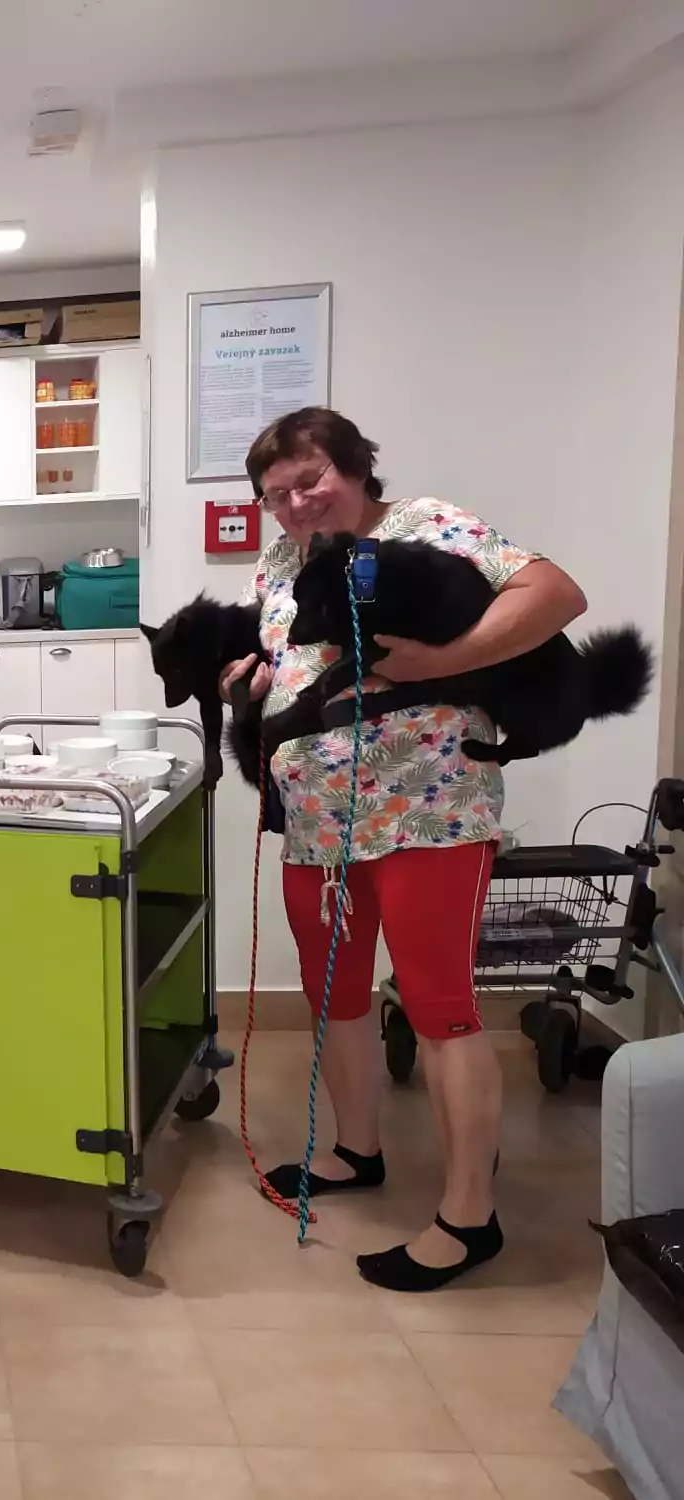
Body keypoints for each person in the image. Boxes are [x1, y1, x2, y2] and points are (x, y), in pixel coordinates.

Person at [224, 406, 588, 1292]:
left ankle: (469, 1219)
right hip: (316, 823)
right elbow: (285, 654)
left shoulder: (428, 524)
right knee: (336, 995)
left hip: (428, 814)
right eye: (276, 494)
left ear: (355, 468)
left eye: (310, 480)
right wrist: (252, 678)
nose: (296, 504)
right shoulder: (277, 566)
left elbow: (556, 595)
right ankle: (357, 1152)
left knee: (439, 1007)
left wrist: (441, 662)